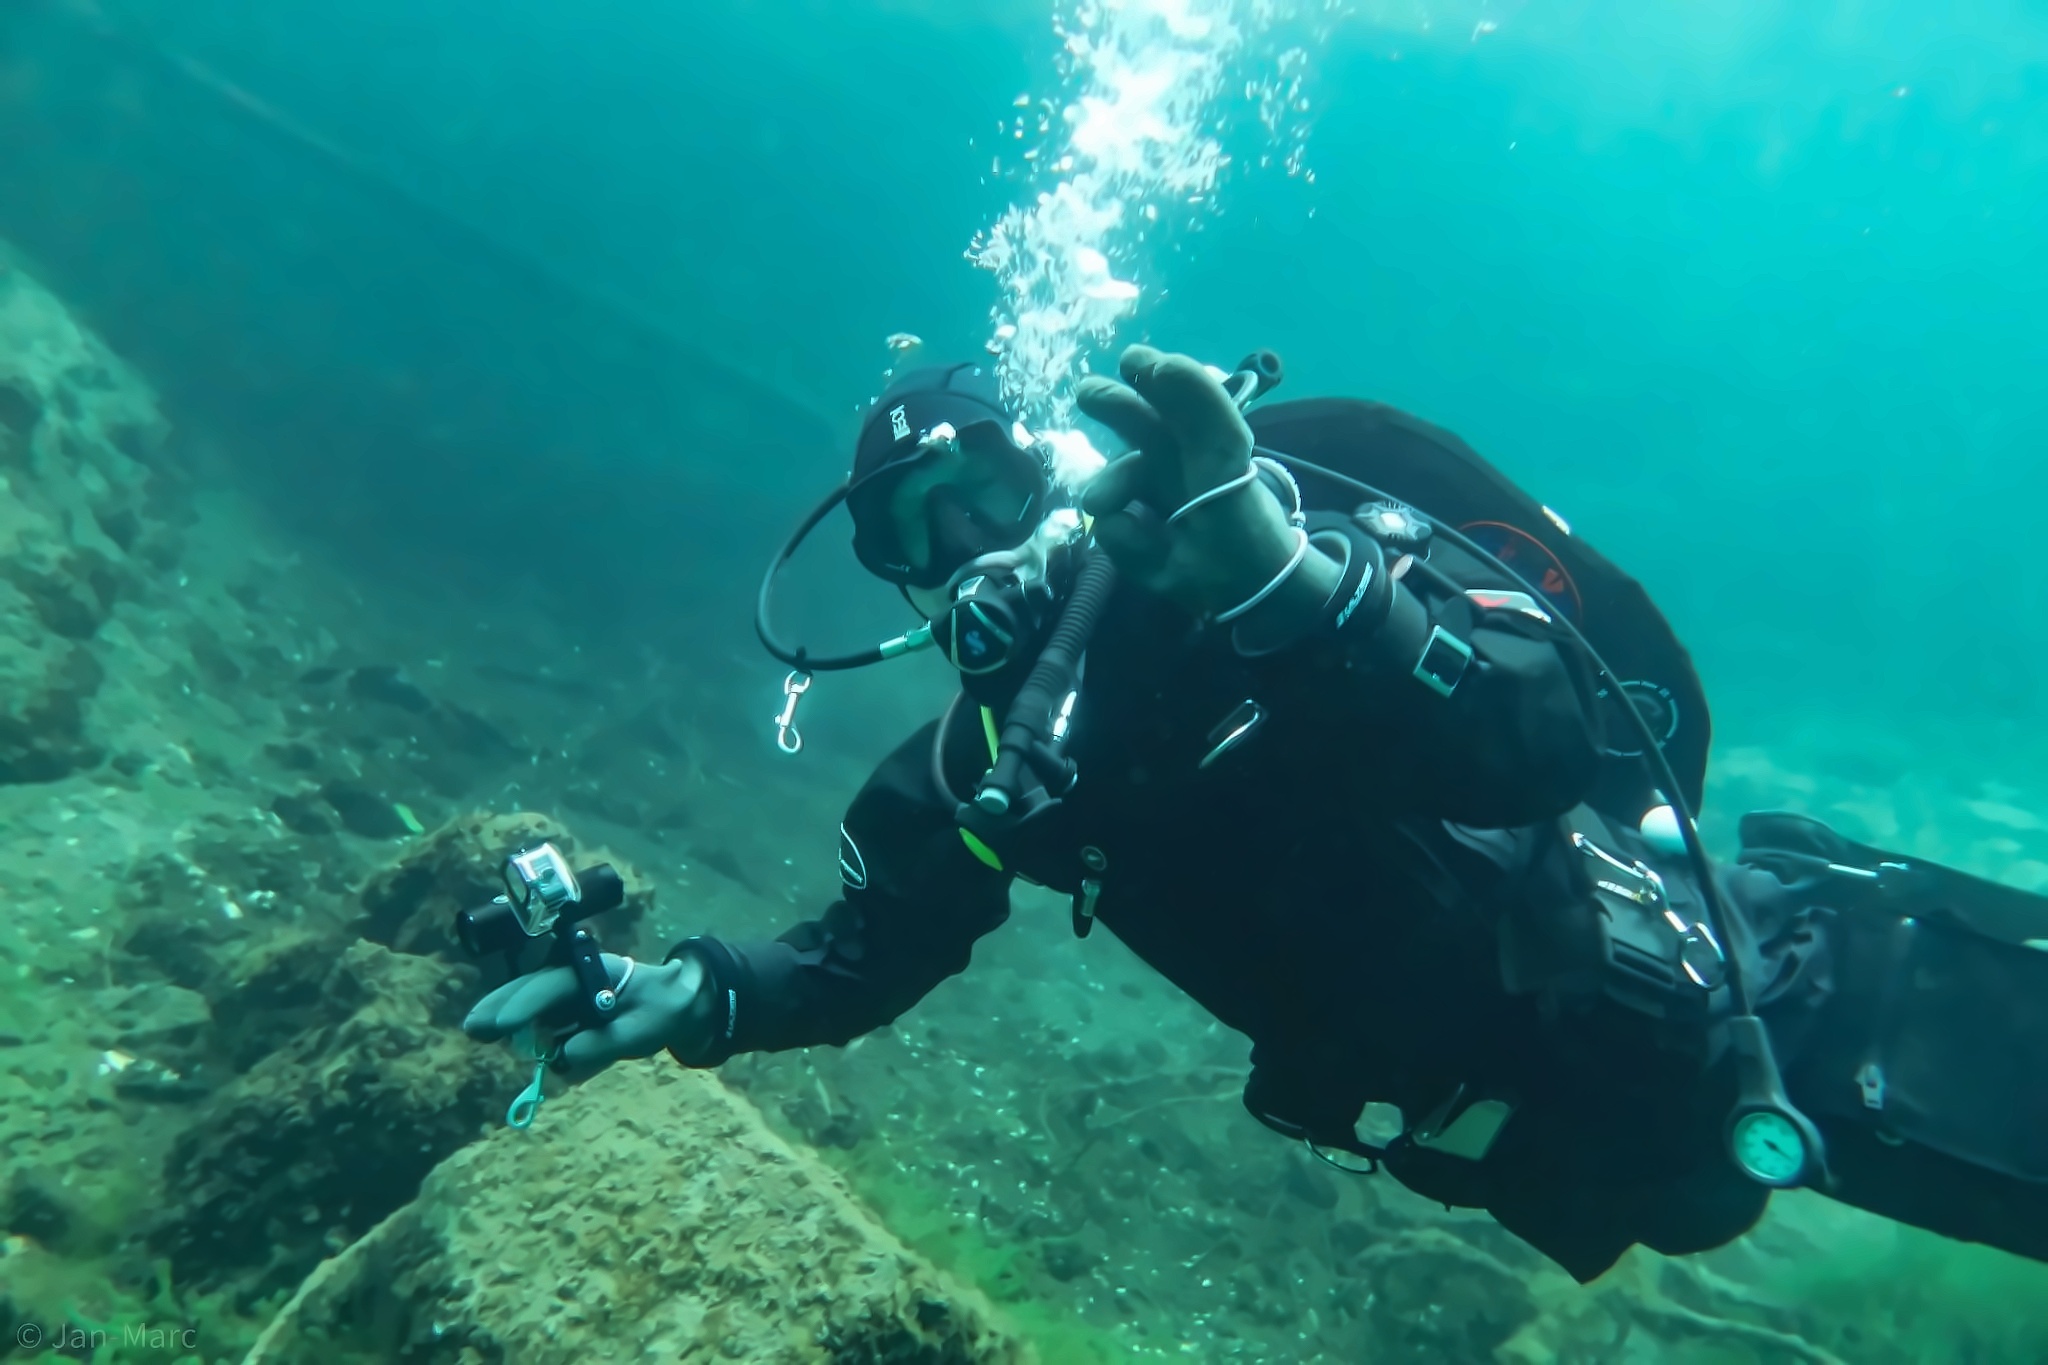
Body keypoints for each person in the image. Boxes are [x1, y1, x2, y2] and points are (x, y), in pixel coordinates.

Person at [465, 344, 2048, 1283]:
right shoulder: (980, 778)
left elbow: (1558, 737)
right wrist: (686, 994)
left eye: (990, 496)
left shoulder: (1249, 567)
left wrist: (1298, 589)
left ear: (1050, 473)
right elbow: (857, 956)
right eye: (915, 536)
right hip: (1615, 1125)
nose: (967, 548)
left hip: (1803, 987)